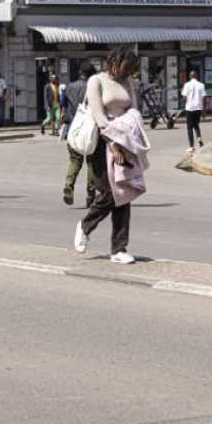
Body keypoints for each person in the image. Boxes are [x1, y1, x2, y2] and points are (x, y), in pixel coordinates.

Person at [74, 46, 145, 265]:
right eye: (125, 69)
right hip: (101, 143)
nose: (127, 74)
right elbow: (98, 114)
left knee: (124, 194)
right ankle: (85, 226)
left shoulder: (128, 83)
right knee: (106, 194)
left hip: (125, 142)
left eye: (130, 71)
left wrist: (126, 138)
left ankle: (119, 248)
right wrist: (112, 142)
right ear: (115, 61)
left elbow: (134, 110)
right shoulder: (96, 81)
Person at [62, 62, 98, 207]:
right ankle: (91, 195)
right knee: (92, 162)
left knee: (75, 160)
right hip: (90, 130)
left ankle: (69, 185)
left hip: (73, 129)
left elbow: (63, 105)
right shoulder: (94, 87)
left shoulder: (69, 87)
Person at [181, 70, 206, 153]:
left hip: (190, 108)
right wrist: (203, 110)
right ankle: (199, 139)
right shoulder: (201, 85)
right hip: (198, 108)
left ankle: (191, 146)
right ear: (196, 76)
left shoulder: (187, 85)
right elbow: (204, 98)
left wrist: (186, 102)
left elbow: (184, 97)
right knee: (196, 125)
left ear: (190, 76)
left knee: (189, 127)